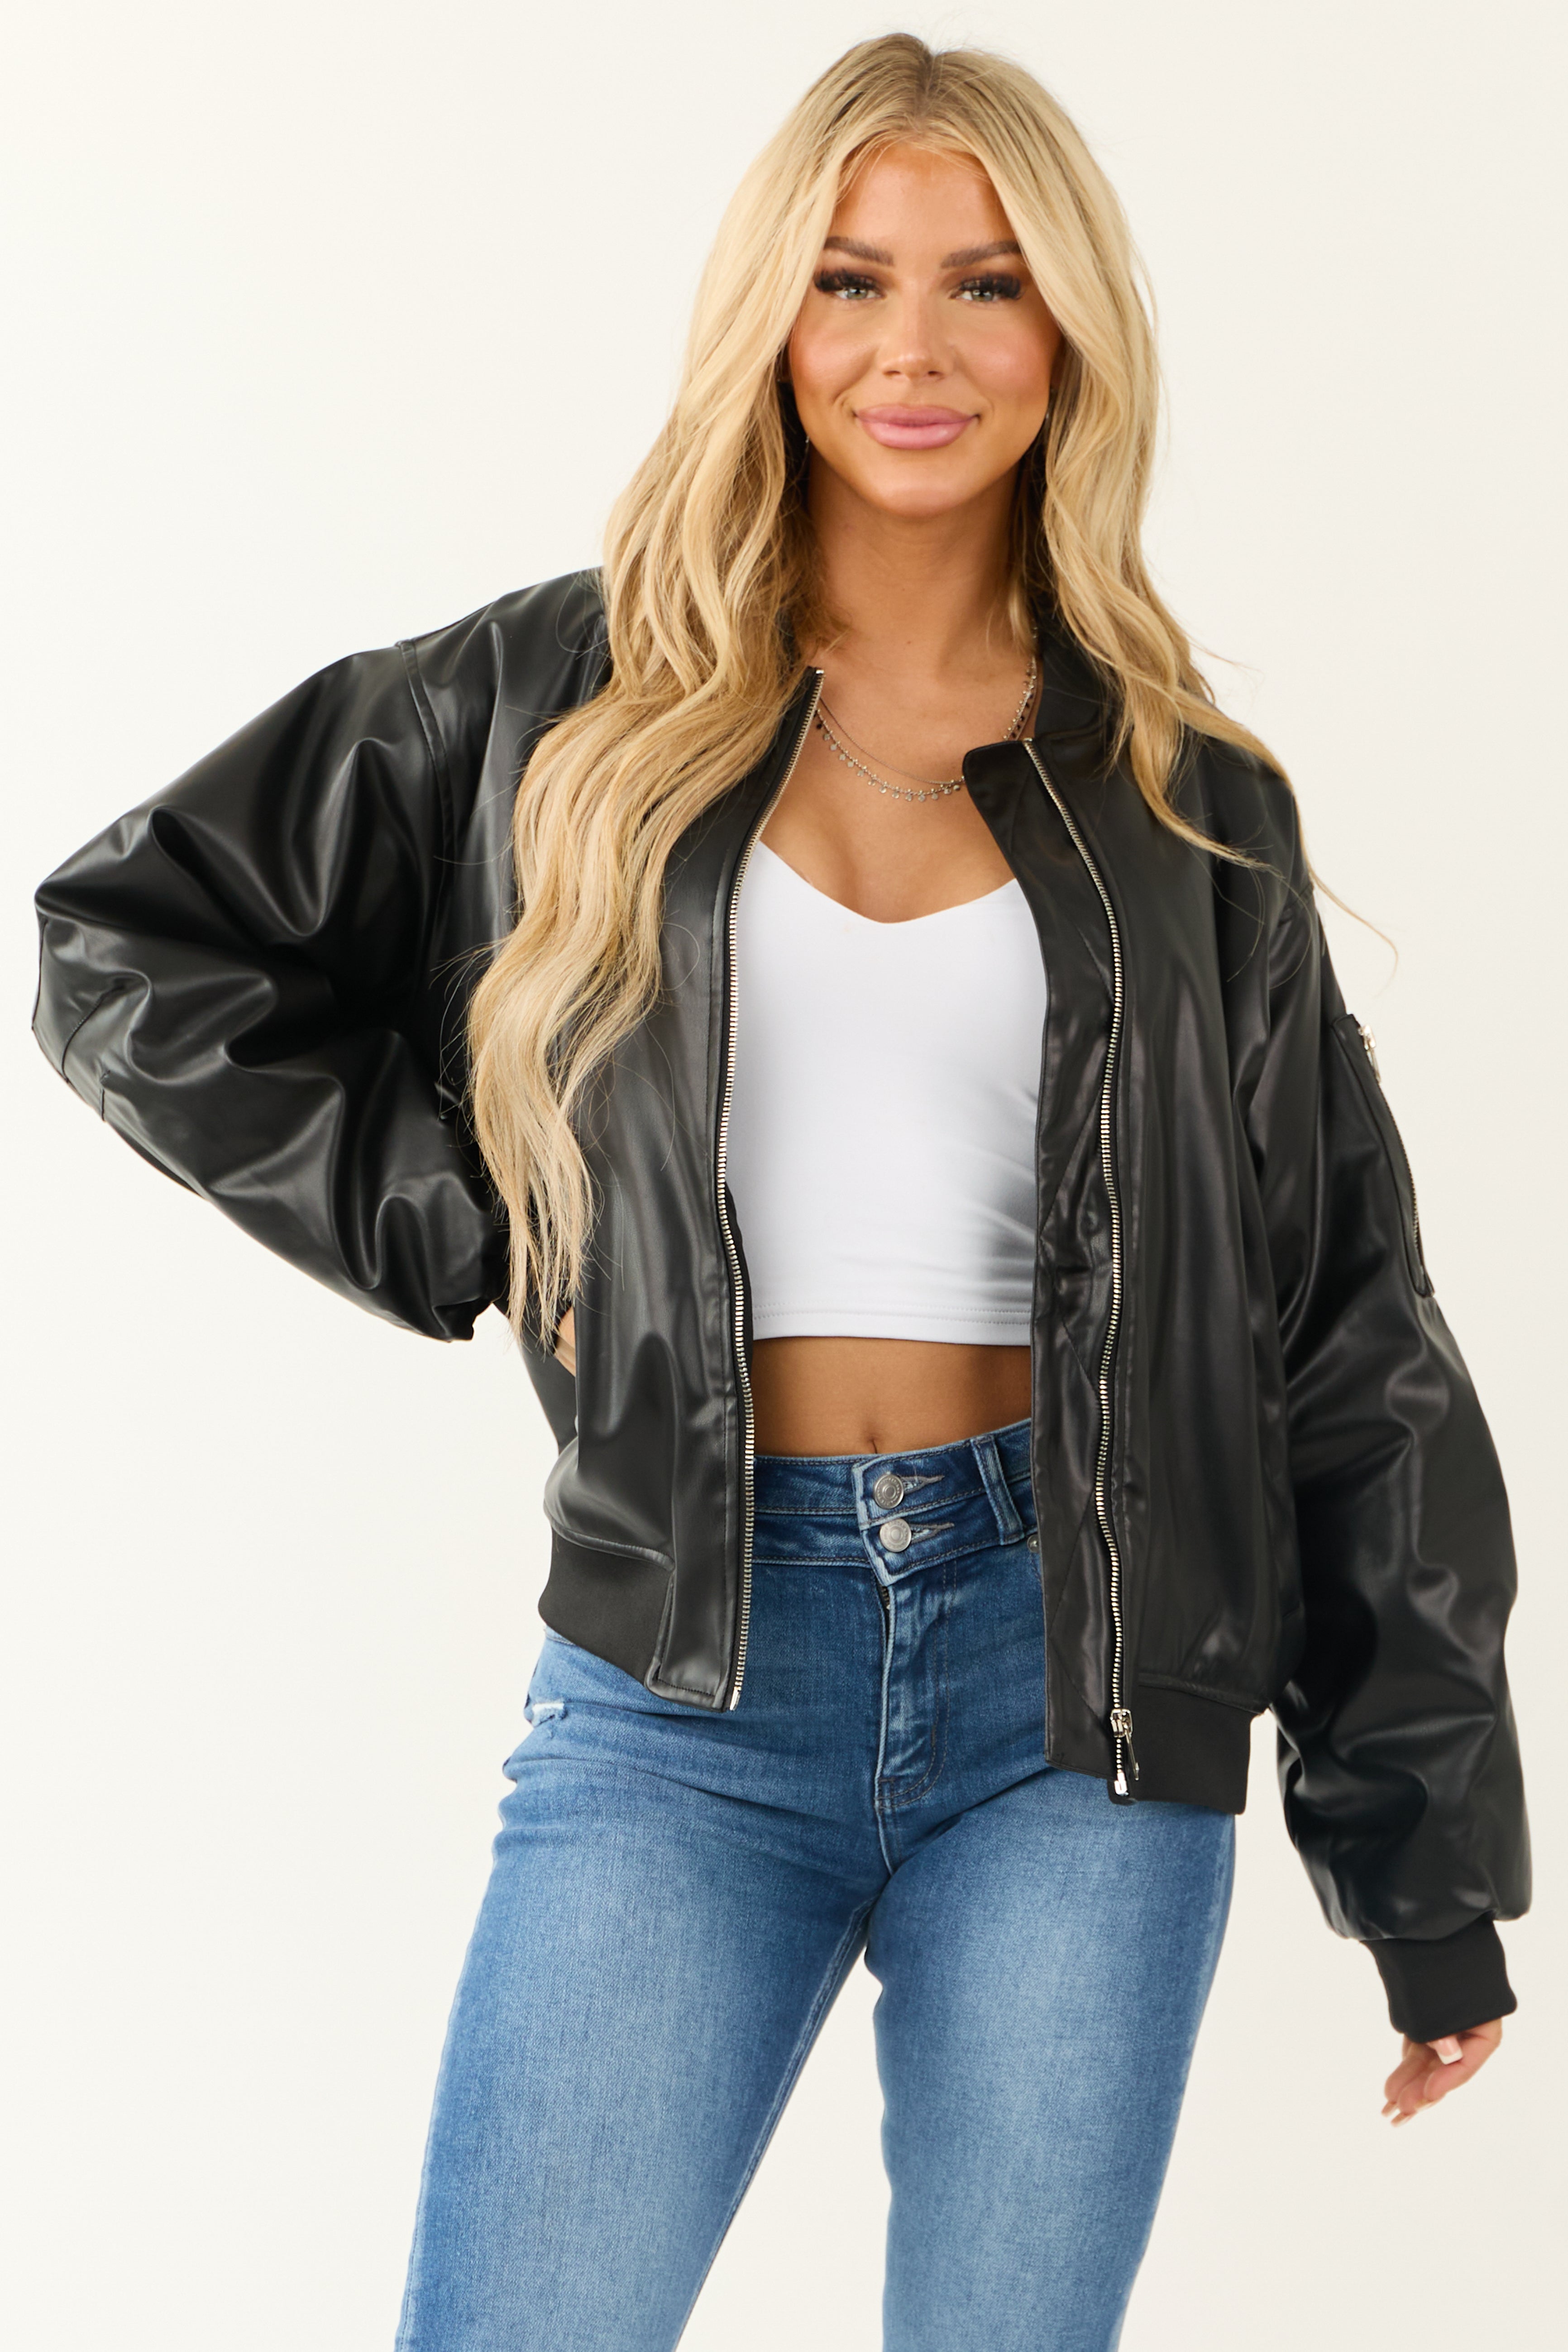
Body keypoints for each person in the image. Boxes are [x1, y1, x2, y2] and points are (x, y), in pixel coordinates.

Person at [32, 33, 1528, 2352]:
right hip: (678, 1677)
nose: (911, 348)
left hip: (1080, 1700)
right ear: (772, 313)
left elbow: (1344, 1327)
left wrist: (1424, 1870)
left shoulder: (1181, 801)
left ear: (1067, 333)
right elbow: (134, 939)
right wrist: (463, 1215)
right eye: (848, 280)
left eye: (982, 284)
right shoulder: (553, 697)